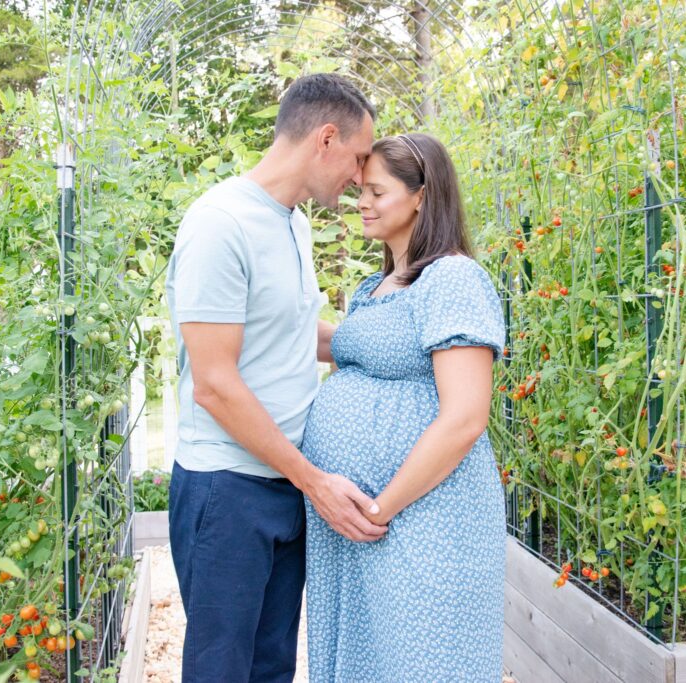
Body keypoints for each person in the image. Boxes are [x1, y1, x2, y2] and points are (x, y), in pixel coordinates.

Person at [164, 73, 387, 682]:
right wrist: (315, 482)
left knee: (271, 667)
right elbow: (213, 383)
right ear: (326, 138)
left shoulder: (294, 222)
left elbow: (293, 335)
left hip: (286, 481)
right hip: (227, 489)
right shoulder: (220, 223)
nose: (362, 177)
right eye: (360, 157)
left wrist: (395, 345)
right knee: (221, 669)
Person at [301, 133, 507, 681]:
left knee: (421, 659)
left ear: (422, 195)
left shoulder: (453, 278)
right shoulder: (379, 285)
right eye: (360, 191)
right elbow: (342, 344)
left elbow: (465, 417)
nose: (361, 203)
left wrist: (378, 508)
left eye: (376, 192)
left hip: (420, 518)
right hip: (360, 524)